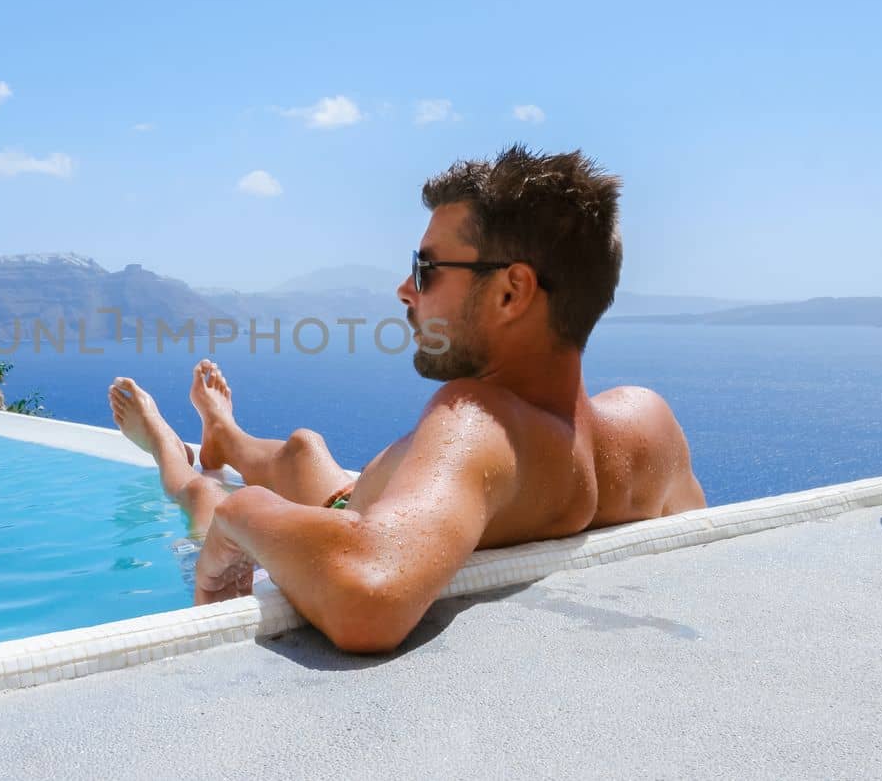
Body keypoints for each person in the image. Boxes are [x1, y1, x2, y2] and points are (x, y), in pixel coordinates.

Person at [108, 145, 705, 653]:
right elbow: (706, 557)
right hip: (374, 500)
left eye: (425, 270)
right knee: (303, 449)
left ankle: (167, 437)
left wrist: (243, 513)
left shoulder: (475, 419)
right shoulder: (649, 421)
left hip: (358, 513)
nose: (403, 289)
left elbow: (368, 593)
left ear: (511, 292)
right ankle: (223, 431)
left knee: (202, 492)